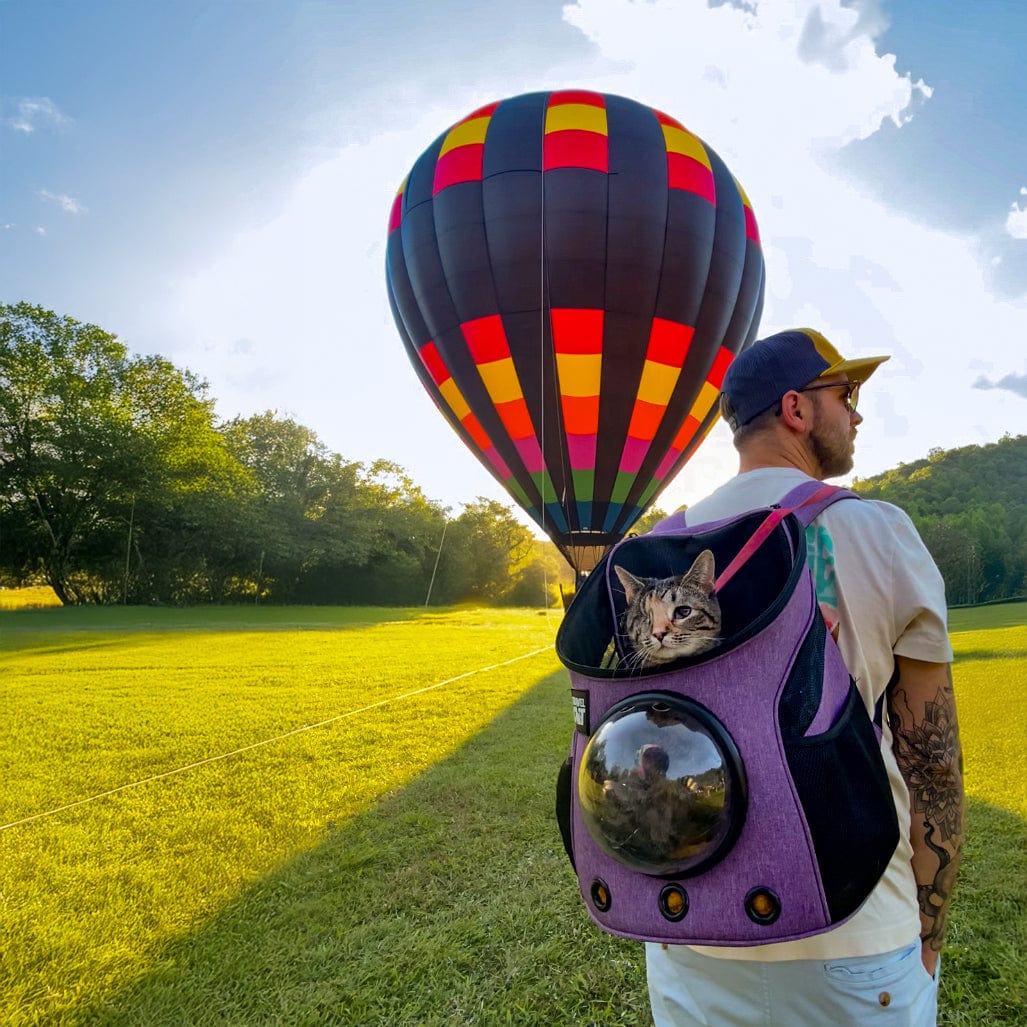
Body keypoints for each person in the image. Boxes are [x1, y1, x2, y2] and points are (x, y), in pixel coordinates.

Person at [646, 328, 964, 1026]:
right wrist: (926, 933)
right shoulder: (879, 531)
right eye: (844, 395)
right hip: (854, 930)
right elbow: (933, 765)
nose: (857, 414)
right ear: (795, 408)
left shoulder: (654, 551)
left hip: (687, 927)